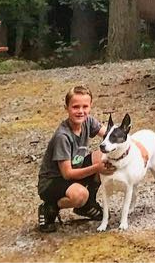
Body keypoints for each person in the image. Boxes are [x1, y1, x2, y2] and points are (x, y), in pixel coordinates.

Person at [36, 84, 110, 232]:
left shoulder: (88, 121)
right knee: (80, 195)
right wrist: (97, 168)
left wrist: (136, 146)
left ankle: (87, 204)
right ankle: (50, 207)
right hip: (53, 182)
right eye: (75, 107)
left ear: (90, 106)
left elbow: (111, 136)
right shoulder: (62, 136)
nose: (81, 111)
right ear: (67, 108)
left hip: (74, 172)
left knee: (104, 156)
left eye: (85, 106)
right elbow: (67, 174)